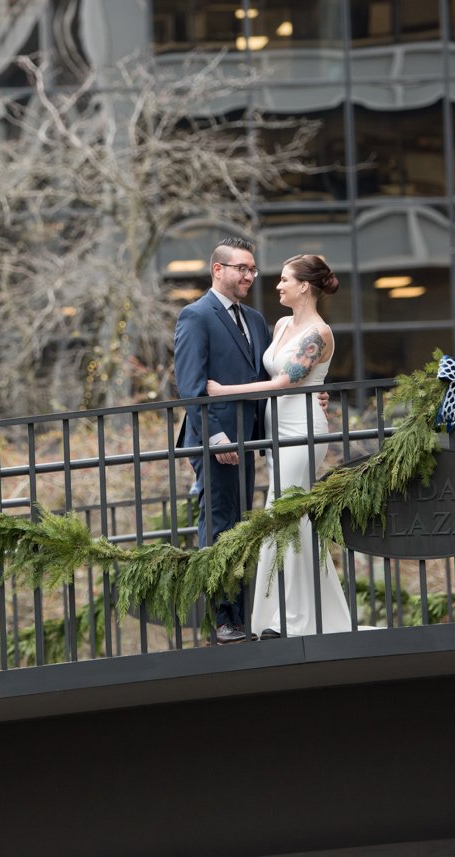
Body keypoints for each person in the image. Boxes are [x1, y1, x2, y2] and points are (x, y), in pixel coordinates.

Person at [207, 254, 355, 638]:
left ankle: (288, 620)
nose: (277, 285)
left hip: (302, 430)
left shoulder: (320, 333)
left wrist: (223, 391)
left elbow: (283, 383)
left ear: (305, 286)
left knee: (281, 516)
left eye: (285, 279)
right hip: (276, 433)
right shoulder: (282, 324)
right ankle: (300, 615)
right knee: (292, 520)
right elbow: (268, 372)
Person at [173, 237, 271, 645]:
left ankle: (241, 616)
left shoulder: (257, 320)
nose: (248, 275)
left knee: (239, 527)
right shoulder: (195, 316)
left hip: (248, 441)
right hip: (214, 441)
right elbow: (191, 385)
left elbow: (267, 379)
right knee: (218, 527)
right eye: (241, 268)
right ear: (218, 270)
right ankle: (222, 623)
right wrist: (216, 436)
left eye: (252, 269)